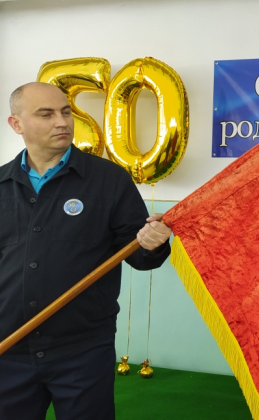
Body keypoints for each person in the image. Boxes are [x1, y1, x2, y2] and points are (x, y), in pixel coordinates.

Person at [0, 82, 173, 420]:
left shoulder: (109, 180)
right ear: (16, 124)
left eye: (66, 112)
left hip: (82, 350)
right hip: (10, 349)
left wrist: (154, 243)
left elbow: (139, 254)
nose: (62, 122)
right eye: (46, 114)